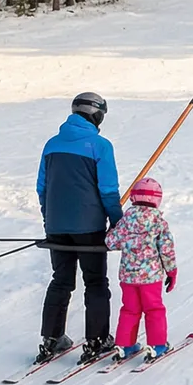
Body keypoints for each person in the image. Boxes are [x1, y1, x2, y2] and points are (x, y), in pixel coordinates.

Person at [37, 92, 122, 364]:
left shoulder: (51, 145)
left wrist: (48, 219)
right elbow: (108, 191)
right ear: (96, 115)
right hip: (89, 227)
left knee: (60, 280)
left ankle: (51, 338)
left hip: (56, 226)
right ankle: (97, 340)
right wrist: (117, 223)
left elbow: (42, 188)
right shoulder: (100, 146)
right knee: (95, 281)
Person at [104, 176, 177, 361]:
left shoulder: (126, 220)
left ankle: (125, 345)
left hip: (128, 276)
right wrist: (171, 271)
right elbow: (166, 249)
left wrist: (113, 231)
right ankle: (157, 344)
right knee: (154, 309)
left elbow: (111, 243)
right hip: (150, 278)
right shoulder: (158, 222)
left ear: (133, 197)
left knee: (129, 309)